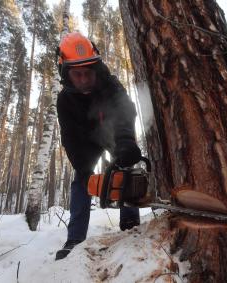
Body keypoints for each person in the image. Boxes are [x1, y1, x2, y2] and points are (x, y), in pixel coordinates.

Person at [55, 32, 142, 260]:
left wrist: (125, 140)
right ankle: (75, 238)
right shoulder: (64, 100)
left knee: (125, 168)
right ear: (66, 72)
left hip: (110, 131)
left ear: (96, 68)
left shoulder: (110, 84)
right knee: (80, 179)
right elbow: (70, 136)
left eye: (88, 73)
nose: (83, 79)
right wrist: (83, 166)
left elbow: (125, 110)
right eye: (77, 74)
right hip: (85, 141)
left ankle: (131, 223)